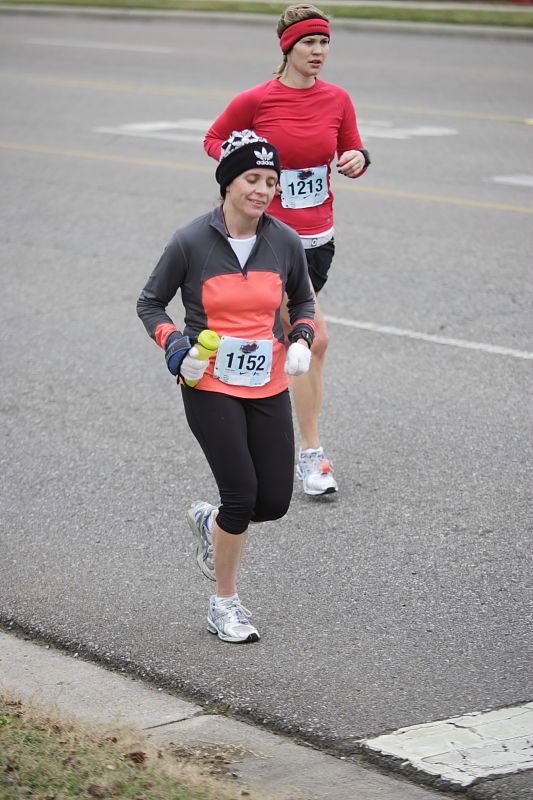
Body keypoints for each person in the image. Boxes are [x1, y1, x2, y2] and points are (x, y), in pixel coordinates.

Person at [137, 130, 315, 643]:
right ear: (228, 184)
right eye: (251, 179)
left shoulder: (283, 240)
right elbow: (150, 303)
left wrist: (300, 337)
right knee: (241, 497)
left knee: (273, 502)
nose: (262, 190)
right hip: (208, 380)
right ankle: (224, 604)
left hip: (267, 382)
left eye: (270, 182)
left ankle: (212, 523)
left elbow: (302, 301)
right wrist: (175, 348)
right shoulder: (191, 241)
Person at [204, 3, 370, 498]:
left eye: (324, 43)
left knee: (276, 341)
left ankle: (240, 416)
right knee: (311, 338)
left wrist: (359, 158)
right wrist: (249, 165)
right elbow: (214, 140)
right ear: (287, 48)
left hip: (318, 242)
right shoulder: (256, 100)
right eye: (308, 43)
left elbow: (352, 149)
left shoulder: (338, 99)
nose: (318, 52)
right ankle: (310, 452)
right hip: (270, 237)